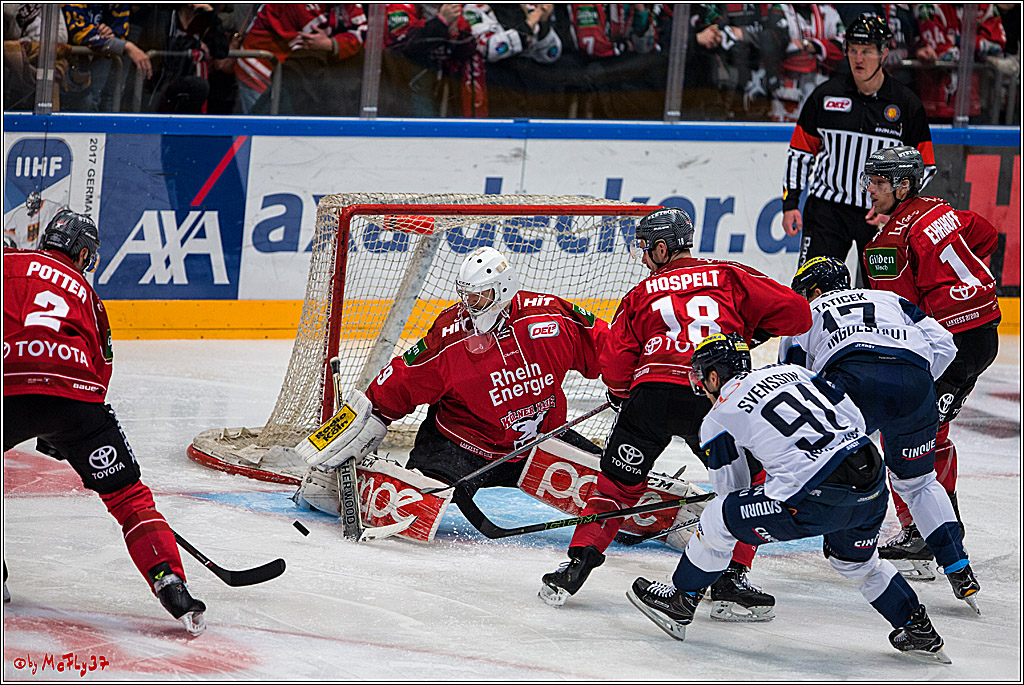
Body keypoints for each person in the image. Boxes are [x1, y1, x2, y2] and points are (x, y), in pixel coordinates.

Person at [538, 207, 812, 617]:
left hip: (651, 397)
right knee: (746, 487)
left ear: (663, 248)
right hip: (714, 398)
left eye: (647, 250)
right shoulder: (729, 275)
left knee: (615, 487)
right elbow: (798, 314)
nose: (645, 259)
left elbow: (615, 365)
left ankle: (576, 565)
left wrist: (620, 394)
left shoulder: (639, 295)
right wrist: (743, 333)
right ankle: (731, 577)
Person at [627, 333, 952, 664]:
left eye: (701, 377)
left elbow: (731, 493)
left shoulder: (718, 416)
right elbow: (853, 418)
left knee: (716, 517)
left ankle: (681, 601)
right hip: (870, 481)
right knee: (856, 562)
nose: (701, 387)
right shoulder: (794, 372)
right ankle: (918, 627)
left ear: (713, 376)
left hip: (814, 496)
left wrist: (769, 487)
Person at [295, 246, 610, 532]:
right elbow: (405, 376)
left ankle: (645, 513)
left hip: (541, 442)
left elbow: (606, 346)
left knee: (613, 486)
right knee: (416, 508)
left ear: (502, 290)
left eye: (478, 297)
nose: (469, 306)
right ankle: (332, 480)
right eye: (466, 296)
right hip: (461, 445)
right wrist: (372, 413)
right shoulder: (451, 333)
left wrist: (633, 382)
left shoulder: (550, 319)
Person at [3, 209, 206, 635]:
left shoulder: (9, 263)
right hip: (76, 398)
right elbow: (101, 369)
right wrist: (69, 430)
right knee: (129, 497)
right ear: (81, 253)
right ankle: (170, 584)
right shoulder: (87, 295)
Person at [780, 256, 980, 611]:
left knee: (831, 460)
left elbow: (794, 381)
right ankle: (958, 567)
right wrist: (912, 386)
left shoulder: (806, 313)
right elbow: (946, 345)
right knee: (919, 483)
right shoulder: (887, 298)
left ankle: (841, 539)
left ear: (814, 289)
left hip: (853, 378)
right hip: (915, 381)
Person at [859, 145, 1001, 576]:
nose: (871, 189)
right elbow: (988, 236)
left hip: (953, 348)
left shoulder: (884, 246)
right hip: (985, 334)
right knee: (932, 432)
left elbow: (897, 315)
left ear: (904, 185)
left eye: (880, 182)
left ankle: (926, 533)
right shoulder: (941, 209)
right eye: (870, 180)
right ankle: (937, 528)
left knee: (907, 432)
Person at [781, 13, 936, 279]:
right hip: (827, 211)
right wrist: (791, 203)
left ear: (884, 52)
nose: (858, 59)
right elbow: (800, 152)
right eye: (853, 50)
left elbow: (925, 166)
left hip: (882, 216)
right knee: (814, 289)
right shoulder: (825, 96)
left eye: (866, 51)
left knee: (884, 292)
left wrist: (895, 206)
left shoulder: (906, 104)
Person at [234, 3, 366, 115]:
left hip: (291, 75)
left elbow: (362, 33)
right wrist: (339, 41)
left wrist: (332, 44)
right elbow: (312, 43)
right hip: (261, 68)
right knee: (257, 131)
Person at [61, 4, 153, 111]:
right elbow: (81, 34)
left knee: (102, 99)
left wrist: (108, 35)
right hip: (68, 65)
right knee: (84, 103)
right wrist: (127, 46)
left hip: (99, 57)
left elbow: (120, 33)